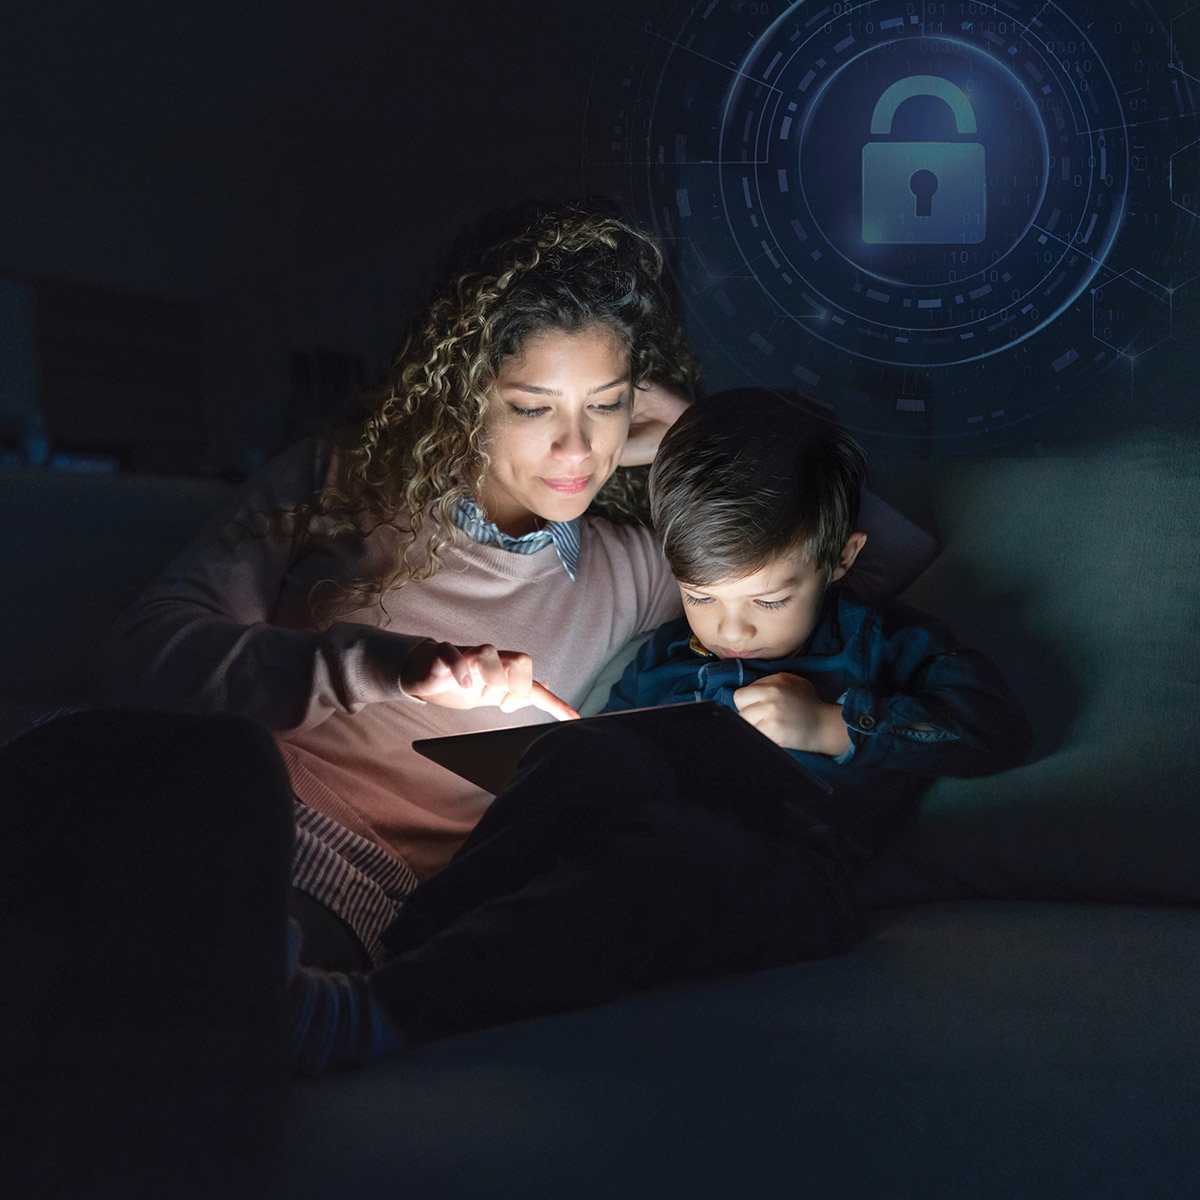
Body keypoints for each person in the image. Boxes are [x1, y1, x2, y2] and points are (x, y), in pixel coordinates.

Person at [95, 204, 942, 1074]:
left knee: (188, 989)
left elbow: (887, 556)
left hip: (367, 873)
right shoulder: (336, 481)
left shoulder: (639, 564)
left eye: (607, 407)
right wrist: (384, 668)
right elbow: (144, 654)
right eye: (534, 407)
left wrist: (697, 431)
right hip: (222, 782)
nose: (577, 447)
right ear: (465, 397)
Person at [603, 388, 1034, 859]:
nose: (730, 630)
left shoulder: (878, 645)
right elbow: (598, 752)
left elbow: (996, 732)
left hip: (785, 868)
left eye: (768, 602)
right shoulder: (664, 657)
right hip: (649, 850)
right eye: (700, 596)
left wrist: (829, 727)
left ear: (841, 559)